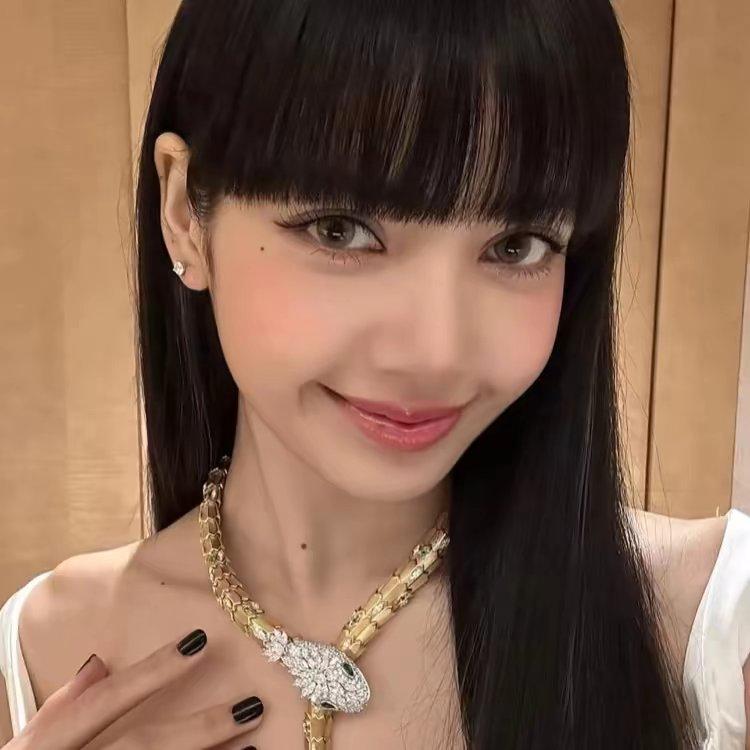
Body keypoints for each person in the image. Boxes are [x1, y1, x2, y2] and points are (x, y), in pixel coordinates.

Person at [1, 0, 749, 748]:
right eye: (342, 231)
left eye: (516, 246)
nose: (435, 352)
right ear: (184, 214)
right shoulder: (50, 649)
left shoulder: (709, 625)